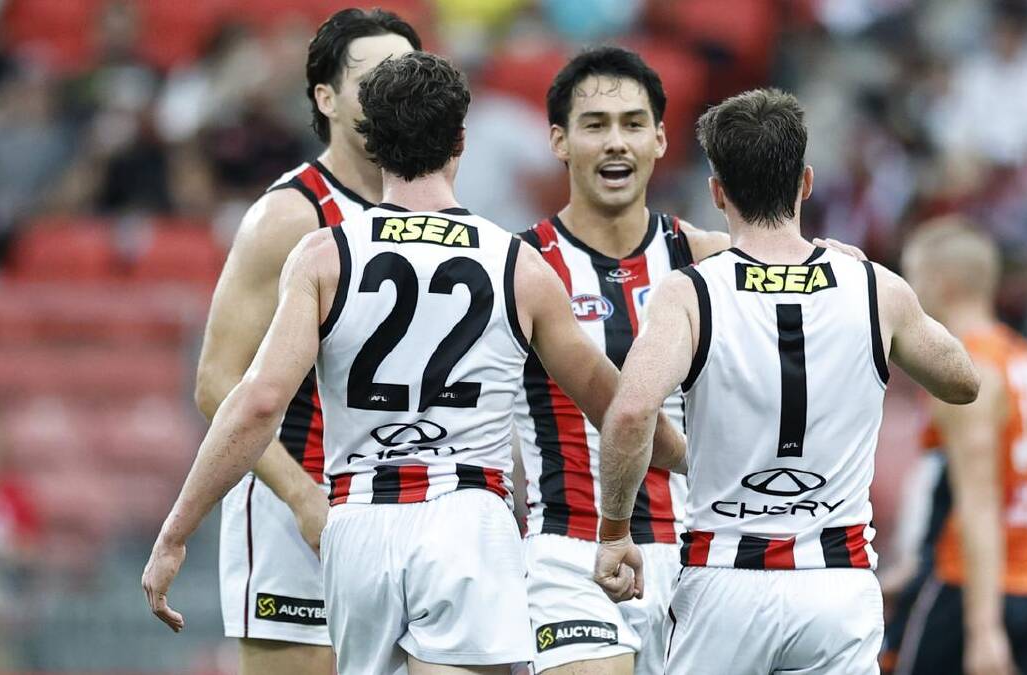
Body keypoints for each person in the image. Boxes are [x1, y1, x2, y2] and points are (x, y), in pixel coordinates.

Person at [143, 51, 684, 675]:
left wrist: (175, 531)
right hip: (466, 517)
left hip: (359, 520)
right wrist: (683, 457)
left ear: (371, 141)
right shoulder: (516, 265)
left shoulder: (324, 256)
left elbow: (258, 400)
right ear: (460, 139)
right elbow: (619, 409)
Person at [592, 88, 981, 675]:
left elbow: (629, 413)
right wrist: (877, 286)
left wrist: (615, 531)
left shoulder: (692, 292)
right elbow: (962, 381)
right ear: (804, 184)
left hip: (725, 581)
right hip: (836, 584)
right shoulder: (873, 288)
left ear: (717, 191)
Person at [190, 9, 420, 675]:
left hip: (408, 509)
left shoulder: (435, 213)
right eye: (375, 77)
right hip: (303, 512)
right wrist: (301, 497)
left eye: (407, 75)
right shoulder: (289, 215)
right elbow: (215, 381)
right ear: (326, 96)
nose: (394, 91)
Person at [515, 46, 727, 675]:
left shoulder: (711, 260)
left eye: (633, 124)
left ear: (661, 139)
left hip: (700, 556)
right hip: (570, 551)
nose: (616, 142)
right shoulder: (518, 267)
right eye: (595, 124)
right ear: (559, 140)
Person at [881, 218, 1027, 675]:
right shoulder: (1022, 357)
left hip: (969, 592)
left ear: (943, 282)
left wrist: (983, 628)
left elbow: (978, 504)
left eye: (913, 277)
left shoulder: (967, 370)